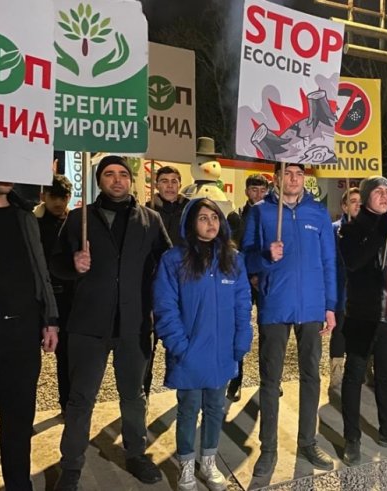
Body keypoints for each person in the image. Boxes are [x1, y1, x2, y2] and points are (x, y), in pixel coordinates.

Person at [51, 156, 171, 490]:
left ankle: (136, 454)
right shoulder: (80, 219)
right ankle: (71, 468)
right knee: (80, 400)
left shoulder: (151, 220)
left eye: (122, 175)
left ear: (131, 180)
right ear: (98, 180)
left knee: (134, 396)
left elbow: (167, 265)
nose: (117, 180)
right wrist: (73, 263)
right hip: (88, 325)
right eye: (109, 174)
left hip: (134, 326)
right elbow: (55, 265)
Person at [242, 162, 337, 476]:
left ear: (304, 179)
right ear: (277, 179)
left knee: (311, 377)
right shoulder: (260, 212)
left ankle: (307, 442)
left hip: (312, 307)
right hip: (276, 305)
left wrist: (330, 305)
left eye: (299, 174)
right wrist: (266, 256)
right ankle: (268, 448)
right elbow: (246, 259)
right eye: (287, 174)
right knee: (270, 380)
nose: (294, 179)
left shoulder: (318, 213)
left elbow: (328, 262)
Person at [154, 198, 252, 491]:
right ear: (190, 223)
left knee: (214, 408)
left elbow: (242, 303)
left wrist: (241, 342)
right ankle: (186, 464)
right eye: (203, 218)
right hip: (189, 353)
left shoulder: (233, 259)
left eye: (215, 217)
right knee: (188, 409)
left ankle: (208, 461)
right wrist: (179, 346)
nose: (211, 223)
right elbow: (165, 306)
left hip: (223, 353)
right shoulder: (173, 260)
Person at [0, 180, 59, 490]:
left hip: (22, 337)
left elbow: (39, 270)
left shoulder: (25, 216)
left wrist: (50, 318)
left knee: (18, 428)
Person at [338, 176, 387, 465]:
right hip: (362, 315)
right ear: (367, 196)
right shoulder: (351, 229)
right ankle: (352, 438)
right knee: (354, 376)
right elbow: (355, 261)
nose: (384, 196)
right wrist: (379, 232)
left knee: (386, 377)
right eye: (378, 192)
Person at [144, 166, 190, 399]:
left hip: (184, 285)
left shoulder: (190, 210)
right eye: (164, 181)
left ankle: (183, 390)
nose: (170, 185)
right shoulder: (145, 211)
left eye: (174, 181)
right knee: (148, 342)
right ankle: (144, 393)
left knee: (180, 338)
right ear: (156, 184)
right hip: (153, 285)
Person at [225, 173, 268, 402]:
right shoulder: (235, 217)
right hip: (241, 282)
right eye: (254, 189)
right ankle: (236, 379)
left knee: (268, 332)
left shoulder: (273, 215)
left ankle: (269, 379)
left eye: (262, 190)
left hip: (264, 281)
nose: (258, 194)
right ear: (246, 191)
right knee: (239, 329)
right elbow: (232, 248)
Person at [34, 174, 74, 415]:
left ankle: (66, 403)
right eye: (55, 197)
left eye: (65, 197)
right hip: (39, 295)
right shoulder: (32, 222)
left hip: (68, 296)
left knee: (67, 354)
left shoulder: (75, 222)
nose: (60, 202)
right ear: (44, 196)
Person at [330, 187, 361, 394]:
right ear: (344, 206)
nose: (357, 204)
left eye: (360, 201)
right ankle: (336, 373)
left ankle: (359, 372)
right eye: (353, 201)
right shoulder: (334, 229)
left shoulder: (370, 228)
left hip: (363, 294)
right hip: (342, 291)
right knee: (340, 333)